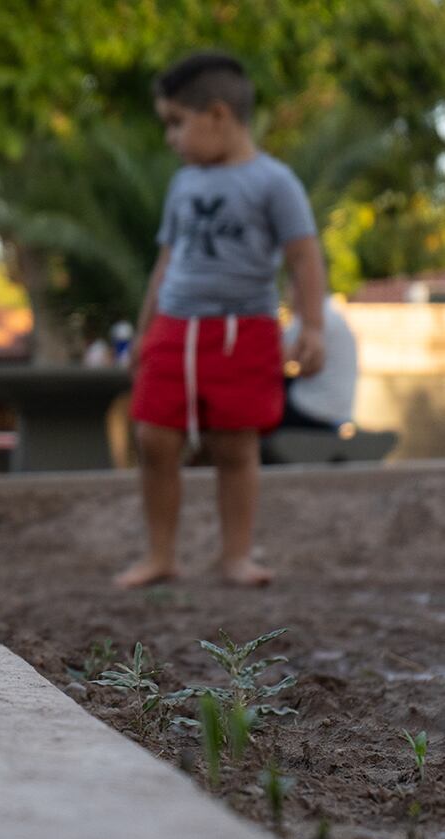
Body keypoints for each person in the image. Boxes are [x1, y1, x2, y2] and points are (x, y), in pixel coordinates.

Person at [117, 52, 326, 589]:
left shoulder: (274, 181)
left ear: (217, 115)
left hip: (244, 331)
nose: (171, 138)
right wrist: (145, 332)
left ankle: (235, 555)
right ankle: (160, 554)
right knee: (154, 439)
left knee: (235, 446)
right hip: (174, 328)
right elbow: (165, 262)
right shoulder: (183, 184)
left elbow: (304, 257)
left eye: (176, 123)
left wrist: (313, 326)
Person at [279, 296, 357, 432]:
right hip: (342, 412)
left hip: (311, 410)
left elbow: (278, 356)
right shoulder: (335, 316)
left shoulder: (310, 319)